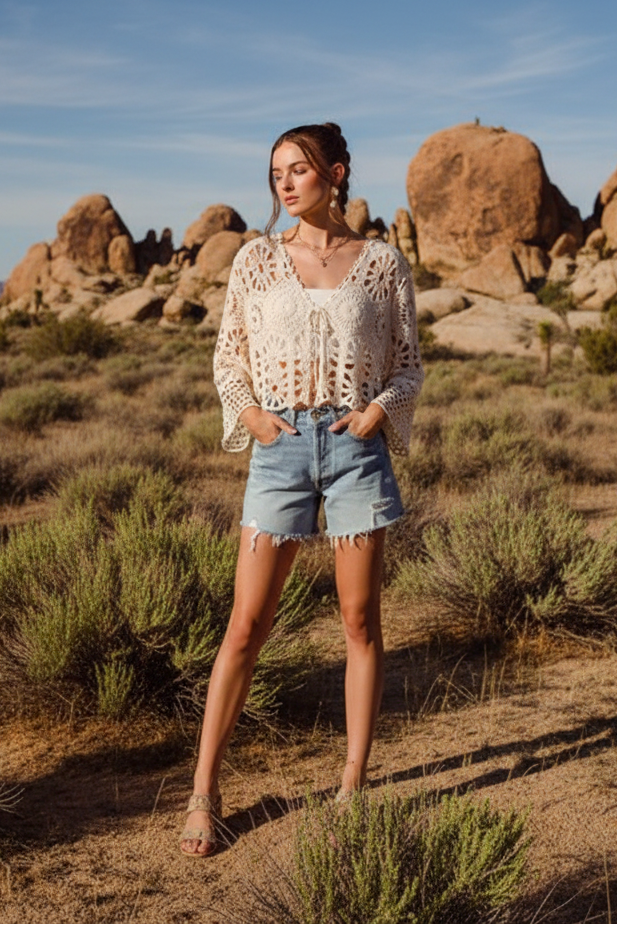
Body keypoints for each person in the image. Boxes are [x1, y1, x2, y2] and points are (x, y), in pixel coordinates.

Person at [180, 122, 424, 857]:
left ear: (336, 174)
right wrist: (253, 416)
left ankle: (352, 784)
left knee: (358, 622)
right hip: (280, 449)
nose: (285, 184)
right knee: (245, 625)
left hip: (354, 453)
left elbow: (408, 365)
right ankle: (203, 790)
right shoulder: (255, 260)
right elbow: (230, 359)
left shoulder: (382, 265)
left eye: (300, 170)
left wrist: (378, 412)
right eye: (276, 173)